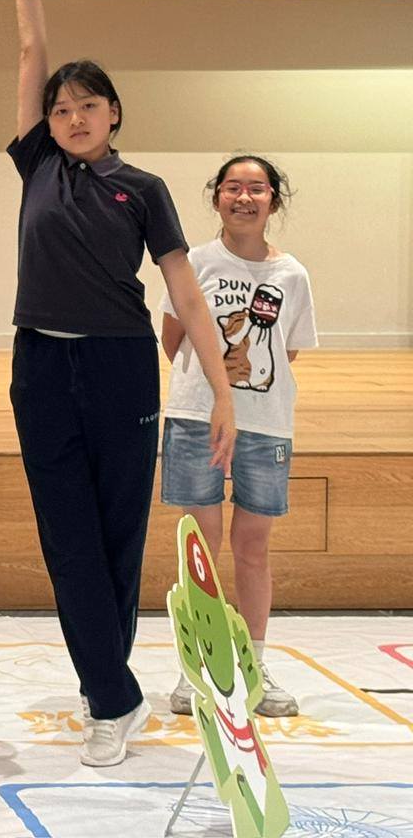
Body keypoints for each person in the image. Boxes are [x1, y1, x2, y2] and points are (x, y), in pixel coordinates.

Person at [0, 0, 237, 767]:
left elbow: (186, 294)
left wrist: (222, 394)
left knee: (118, 531)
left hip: (121, 364)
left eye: (87, 105)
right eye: (61, 108)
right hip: (39, 367)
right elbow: (31, 46)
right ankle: (113, 694)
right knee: (67, 537)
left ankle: (108, 692)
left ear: (114, 113)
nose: (72, 117)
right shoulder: (37, 164)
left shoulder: (144, 189)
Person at [161, 155, 315, 718]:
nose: (244, 198)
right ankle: (198, 666)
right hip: (195, 417)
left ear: (274, 199)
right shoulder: (194, 263)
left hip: (266, 423)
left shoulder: (291, 275)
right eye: (232, 187)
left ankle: (254, 664)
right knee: (200, 549)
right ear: (217, 197)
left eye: (257, 189)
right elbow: (172, 337)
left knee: (252, 547)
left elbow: (287, 351)